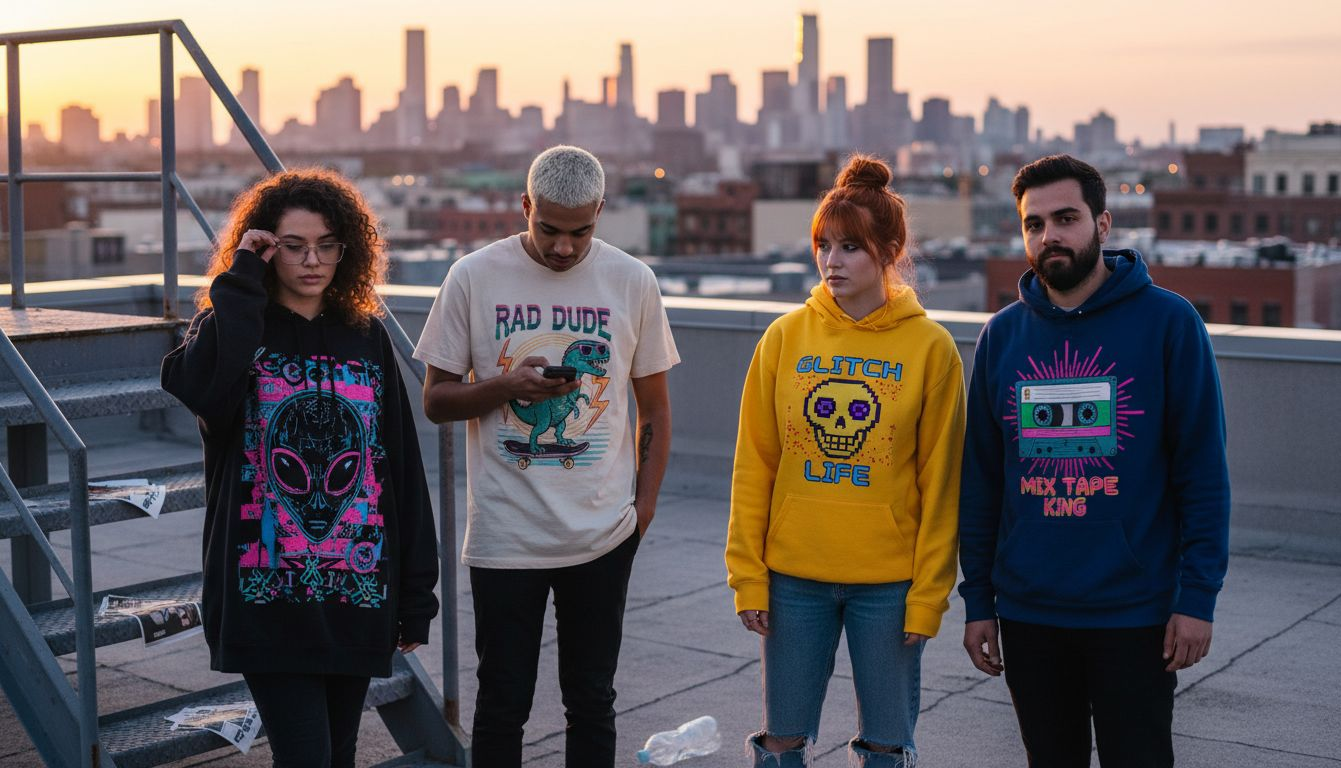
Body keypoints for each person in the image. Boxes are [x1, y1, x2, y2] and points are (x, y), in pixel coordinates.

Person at [958, 154, 1231, 768]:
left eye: (1066, 218)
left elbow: (1203, 475)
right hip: (1029, 612)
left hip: (1135, 613)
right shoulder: (1001, 336)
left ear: (1103, 224)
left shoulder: (1170, 323)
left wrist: (1197, 598)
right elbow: (981, 483)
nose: (1048, 236)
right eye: (1033, 224)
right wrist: (978, 601)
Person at [161, 169, 440, 768]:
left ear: (347, 249)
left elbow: (399, 469)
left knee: (339, 755)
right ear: (267, 247)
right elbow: (200, 388)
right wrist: (242, 278)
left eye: (326, 245)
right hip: (266, 601)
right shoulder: (233, 329)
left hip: (356, 596)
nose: (312, 261)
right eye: (293, 246)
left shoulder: (366, 336)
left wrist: (416, 593)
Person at [414, 145, 679, 767]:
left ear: (600, 212)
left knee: (592, 701)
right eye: (549, 229)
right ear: (525, 206)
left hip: (603, 534)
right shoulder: (473, 275)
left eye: (580, 232)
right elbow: (436, 401)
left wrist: (642, 511)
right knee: (502, 702)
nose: (564, 247)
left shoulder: (632, 280)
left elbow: (656, 410)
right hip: (506, 534)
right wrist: (508, 386)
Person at [725, 154, 966, 767]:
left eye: (851, 247)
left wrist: (929, 594)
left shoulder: (931, 348)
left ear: (890, 251)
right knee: (780, 740)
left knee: (886, 744)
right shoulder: (784, 338)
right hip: (792, 578)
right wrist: (747, 574)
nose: (832, 260)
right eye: (823, 245)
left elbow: (941, 484)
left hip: (888, 585)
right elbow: (754, 465)